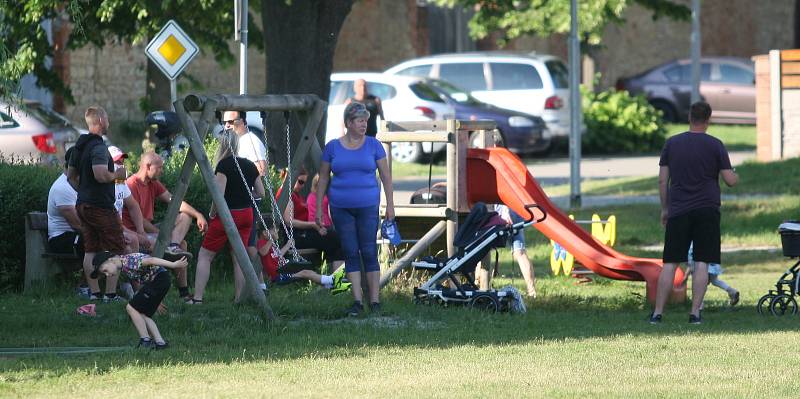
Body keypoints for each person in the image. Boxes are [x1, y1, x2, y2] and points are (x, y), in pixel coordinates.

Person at [650, 101, 738, 325]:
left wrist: (665, 208)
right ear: (708, 119)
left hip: (678, 210)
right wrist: (735, 174)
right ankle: (695, 313)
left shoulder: (672, 144)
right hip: (707, 210)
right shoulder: (715, 145)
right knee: (702, 262)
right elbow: (730, 181)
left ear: (690, 117)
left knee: (670, 262)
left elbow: (662, 179)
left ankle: (657, 313)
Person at [317, 102, 395, 317]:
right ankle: (357, 302)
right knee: (350, 251)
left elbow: (386, 177)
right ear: (349, 123)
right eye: (360, 121)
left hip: (368, 206)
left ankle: (375, 301)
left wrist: (390, 204)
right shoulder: (332, 147)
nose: (364, 125)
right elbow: (323, 177)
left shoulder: (373, 145)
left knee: (369, 250)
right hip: (340, 207)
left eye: (366, 121)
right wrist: (318, 209)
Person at [190, 131, 265, 304]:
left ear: (222, 145)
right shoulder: (249, 165)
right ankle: (239, 298)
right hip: (247, 213)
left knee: (205, 255)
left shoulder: (223, 165)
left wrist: (211, 214)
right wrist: (245, 195)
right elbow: (261, 193)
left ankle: (198, 298)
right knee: (238, 256)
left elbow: (219, 196)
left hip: (228, 215)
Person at [122, 151, 207, 300]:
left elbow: (174, 201)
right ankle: (149, 290)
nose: (162, 170)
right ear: (148, 166)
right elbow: (140, 220)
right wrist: (162, 236)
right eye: (159, 167)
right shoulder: (131, 184)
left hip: (150, 230)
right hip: (135, 233)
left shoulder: (153, 183)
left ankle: (183, 292)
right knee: (173, 244)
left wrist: (198, 214)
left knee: (185, 220)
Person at [67, 106, 127, 302]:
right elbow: (101, 175)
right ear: (101, 120)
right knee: (117, 247)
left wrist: (84, 194)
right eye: (107, 118)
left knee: (91, 249)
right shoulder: (99, 148)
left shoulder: (79, 147)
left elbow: (71, 178)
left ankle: (94, 294)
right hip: (100, 206)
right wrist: (117, 175)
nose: (108, 122)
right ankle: (110, 295)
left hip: (83, 205)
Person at [90, 250, 188, 349]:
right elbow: (145, 278)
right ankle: (160, 342)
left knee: (130, 307)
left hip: (159, 279)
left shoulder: (128, 261)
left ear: (110, 260)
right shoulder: (124, 267)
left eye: (105, 270)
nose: (107, 275)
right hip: (159, 281)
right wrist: (155, 300)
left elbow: (151, 260)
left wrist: (174, 265)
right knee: (142, 314)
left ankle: (145, 339)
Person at [221, 110, 268, 291]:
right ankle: (255, 285)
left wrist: (242, 181)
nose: (226, 126)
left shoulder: (251, 141)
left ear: (242, 121)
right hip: (236, 200)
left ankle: (259, 285)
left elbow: (261, 169)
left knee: (246, 245)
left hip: (247, 201)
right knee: (243, 246)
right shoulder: (234, 141)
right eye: (224, 122)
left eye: (230, 122)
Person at [282, 169, 345, 274]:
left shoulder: (297, 195)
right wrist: (312, 225)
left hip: (306, 232)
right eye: (300, 182)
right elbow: (289, 221)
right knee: (337, 238)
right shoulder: (286, 195)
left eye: (304, 182)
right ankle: (335, 279)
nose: (302, 186)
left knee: (339, 240)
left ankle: (336, 280)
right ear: (290, 179)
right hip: (296, 236)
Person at [47, 147, 88, 296]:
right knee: (93, 241)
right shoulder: (62, 188)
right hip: (60, 238)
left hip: (74, 235)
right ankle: (83, 287)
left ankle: (122, 284)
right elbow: (77, 225)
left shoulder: (77, 184)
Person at [108, 146, 146, 254]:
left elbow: (133, 206)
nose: (121, 165)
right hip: (110, 229)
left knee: (158, 243)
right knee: (134, 241)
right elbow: (112, 218)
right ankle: (135, 269)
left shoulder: (120, 182)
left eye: (122, 161)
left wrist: (141, 230)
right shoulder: (104, 186)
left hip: (120, 229)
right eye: (117, 162)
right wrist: (136, 235)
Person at [681, 242, 740, 308]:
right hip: (712, 262)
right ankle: (732, 291)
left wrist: (686, 275)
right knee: (714, 280)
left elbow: (691, 261)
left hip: (701, 264)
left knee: (699, 284)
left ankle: (699, 305)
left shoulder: (690, 245)